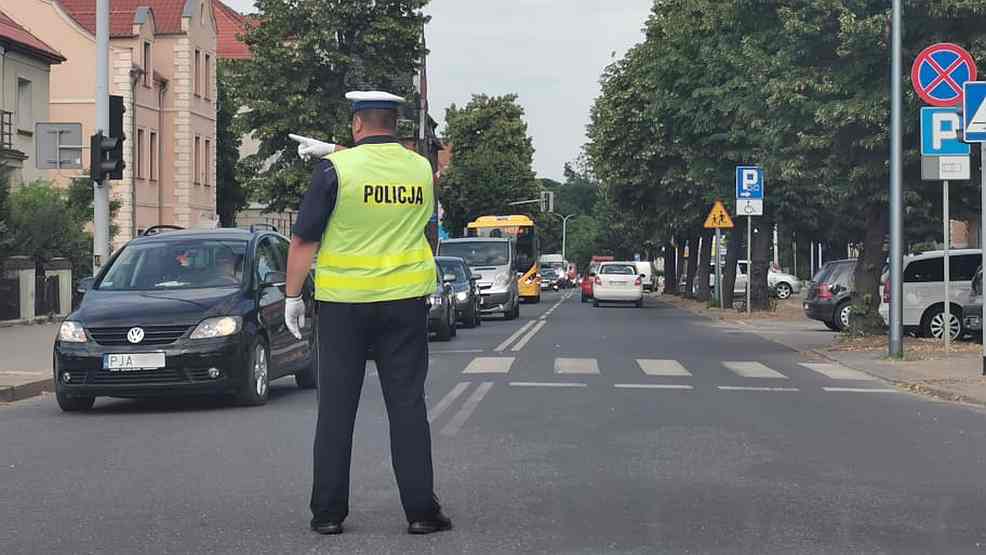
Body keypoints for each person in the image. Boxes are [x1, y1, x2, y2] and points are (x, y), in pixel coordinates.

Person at [282, 90, 451, 536]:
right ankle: (420, 511)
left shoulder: (334, 172)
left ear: (356, 124)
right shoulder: (421, 170)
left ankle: (328, 513)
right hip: (404, 303)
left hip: (343, 307)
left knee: (337, 410)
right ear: (394, 124)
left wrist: (292, 296)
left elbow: (303, 241)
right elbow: (408, 203)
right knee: (408, 407)